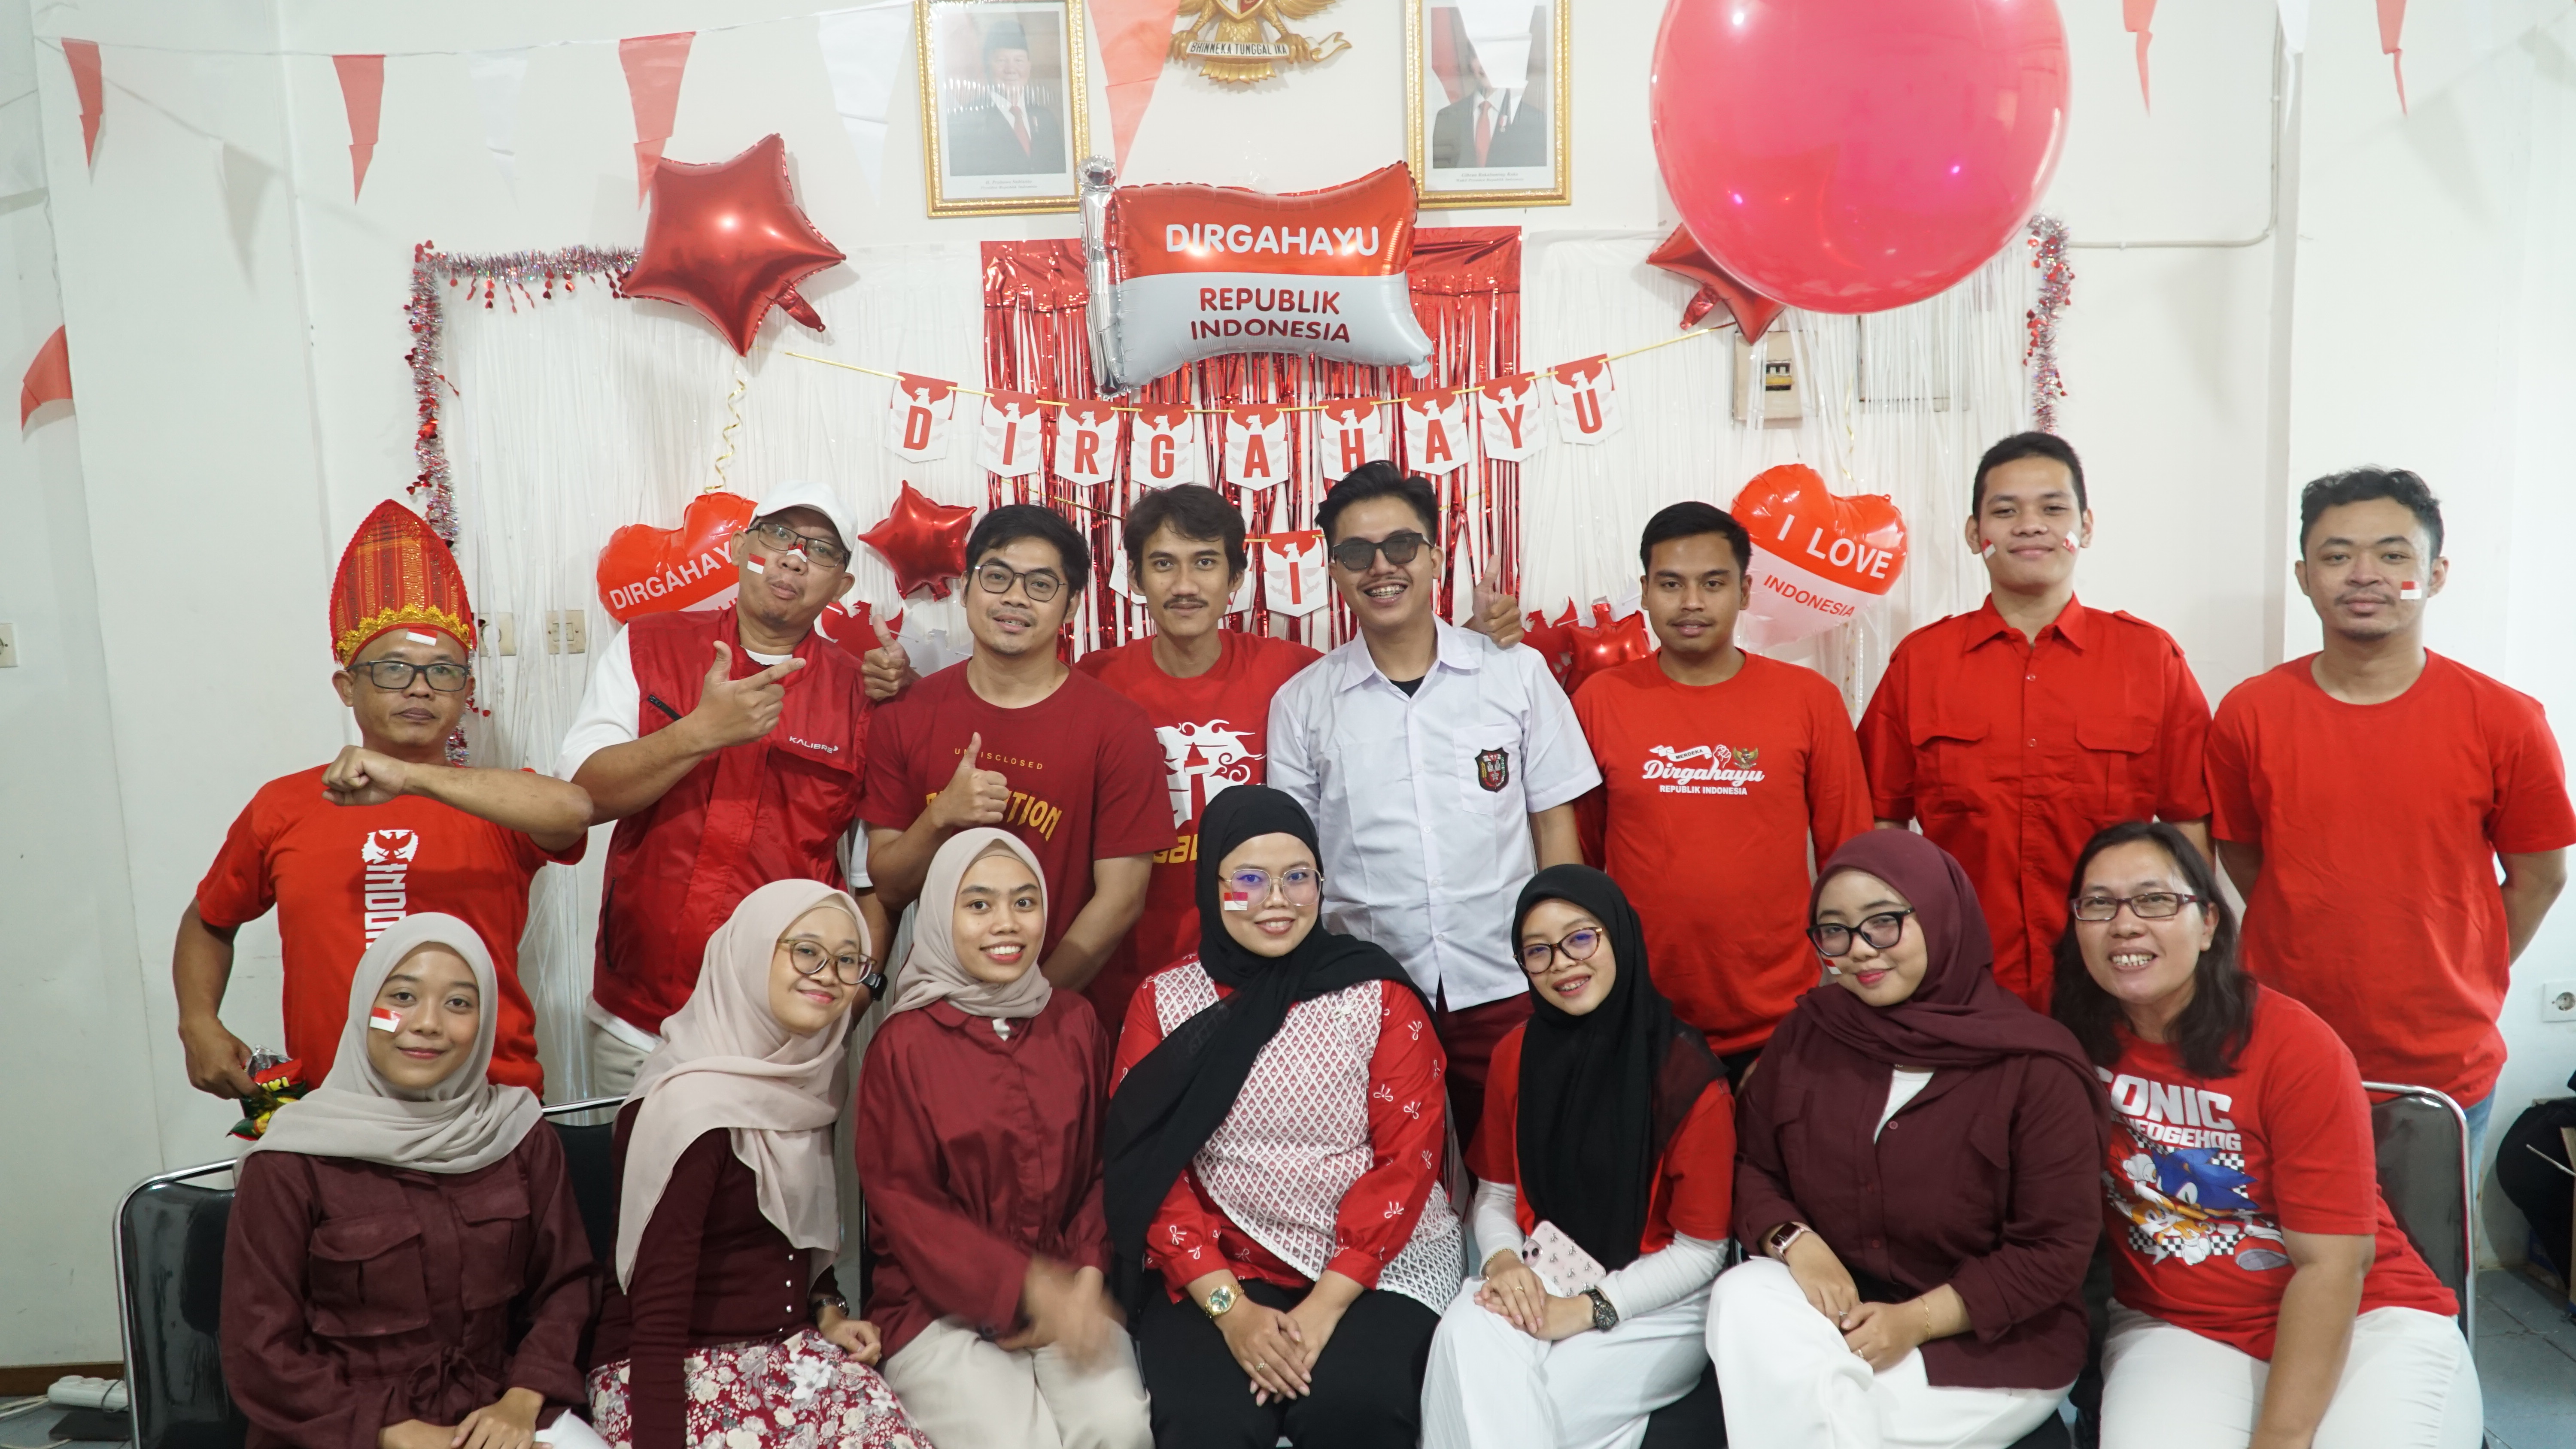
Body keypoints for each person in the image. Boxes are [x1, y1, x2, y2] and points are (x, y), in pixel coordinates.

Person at [2057, 820, 2479, 1449]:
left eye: (2155, 900)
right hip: (2179, 1325)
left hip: (2363, 1317)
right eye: (2099, 904)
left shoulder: (2294, 1046)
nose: (2125, 924)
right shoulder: (2064, 1044)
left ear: (2208, 923)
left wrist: (2280, 1437)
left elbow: (2333, 1265)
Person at [2206, 467, 2572, 1154]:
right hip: (2283, 1045)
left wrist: (2465, 965)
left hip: (2441, 1069)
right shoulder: (2249, 713)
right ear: (2304, 576)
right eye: (2337, 555)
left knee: (2427, 1231)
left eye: (2394, 554)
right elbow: (2245, 856)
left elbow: (2541, 877)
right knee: (2282, 1227)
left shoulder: (2506, 721)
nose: (2364, 574)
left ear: (2434, 575)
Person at [1077, 484, 1524, 1029]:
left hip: (1271, 968)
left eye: (1206, 562)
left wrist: (1473, 641)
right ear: (1134, 578)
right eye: (1164, 564)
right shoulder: (1094, 684)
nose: (1186, 585)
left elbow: (1397, 685)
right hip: (1131, 971)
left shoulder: (1293, 674)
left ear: (1237, 579)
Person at [184, 500, 589, 1100]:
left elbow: (574, 810)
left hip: (488, 1108)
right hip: (333, 1108)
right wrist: (198, 1022)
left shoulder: (496, 803)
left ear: (466, 692)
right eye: (394, 670)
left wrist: (412, 778)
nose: (421, 688)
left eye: (444, 672)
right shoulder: (285, 804)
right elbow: (209, 920)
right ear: (347, 687)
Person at [1711, 831, 2101, 1449]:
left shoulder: (2035, 1067)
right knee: (1742, 1292)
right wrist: (1795, 1242)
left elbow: (2054, 1250)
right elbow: (1749, 1164)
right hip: (1835, 1315)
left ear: (1942, 917)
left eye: (1883, 923)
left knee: (1827, 1416)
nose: (1859, 950)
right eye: (1835, 931)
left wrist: (1916, 1322)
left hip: (1986, 1349)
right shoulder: (1807, 1036)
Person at [1103, 786, 1464, 1449]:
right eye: (1249, 880)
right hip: (1223, 1265)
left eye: (1298, 877)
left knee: (1355, 1406)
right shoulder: (1164, 1001)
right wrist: (1231, 1312)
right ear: (1211, 888)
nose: (1277, 900)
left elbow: (1408, 1161)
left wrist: (1326, 1305)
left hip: (1380, 1264)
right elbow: (1150, 1172)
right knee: (1210, 1421)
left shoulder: (1376, 992)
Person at [1269, 462, 1597, 1153]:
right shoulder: (1301, 705)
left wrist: (1563, 958)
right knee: (1393, 1178)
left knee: (1530, 1165)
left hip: (1509, 979)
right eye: (1356, 553)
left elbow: (1554, 828)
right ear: (1334, 571)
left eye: (1401, 546)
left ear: (1436, 558)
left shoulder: (1514, 673)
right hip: (1368, 995)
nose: (1381, 567)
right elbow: (1293, 865)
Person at [559, 479, 908, 1093]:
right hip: (639, 1020)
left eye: (820, 550)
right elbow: (582, 798)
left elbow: (871, 882)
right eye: (778, 535)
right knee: (633, 1159)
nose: (793, 558)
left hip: (784, 1029)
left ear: (842, 585)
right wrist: (696, 734)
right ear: (741, 547)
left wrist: (850, 1006)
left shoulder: (861, 695)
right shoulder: (647, 645)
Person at [1858, 432, 2212, 1012]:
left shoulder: (2149, 660)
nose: (2030, 526)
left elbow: (2189, 822)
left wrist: (2191, 965)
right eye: (2005, 511)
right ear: (1975, 534)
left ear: (2086, 527)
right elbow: (1881, 823)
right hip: (1960, 976)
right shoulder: (1921, 664)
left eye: (2052, 509)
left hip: (2118, 981)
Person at [222, 915, 602, 1449]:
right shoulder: (291, 1160)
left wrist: (522, 1398)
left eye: (459, 1003)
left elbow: (566, 1285)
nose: (428, 1023)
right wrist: (393, 1432)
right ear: (364, 1007)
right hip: (341, 1429)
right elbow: (260, 1348)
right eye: (402, 996)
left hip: (496, 1411)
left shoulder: (518, 1133)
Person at [588, 881, 924, 1449]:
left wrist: (828, 1312)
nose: (828, 975)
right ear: (750, 952)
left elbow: (788, 1235)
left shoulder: (808, 1081)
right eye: (806, 951)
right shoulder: (690, 1108)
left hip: (784, 1353)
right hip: (668, 1369)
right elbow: (658, 1317)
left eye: (848, 961)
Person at [1420, 865, 1734, 1449]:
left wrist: (1591, 1308)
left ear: (1620, 936)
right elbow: (1498, 1195)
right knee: (1461, 1335)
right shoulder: (1516, 1053)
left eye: (1581, 939)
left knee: (1520, 1415)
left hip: (1659, 1300)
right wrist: (1503, 1263)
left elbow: (1701, 1252)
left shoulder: (1687, 1078)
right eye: (1538, 951)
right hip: (1544, 1267)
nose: (1562, 964)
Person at [859, 829, 1151, 1449]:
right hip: (939, 1310)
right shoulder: (904, 1045)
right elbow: (908, 1209)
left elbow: (1103, 1167)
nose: (1006, 924)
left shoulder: (1074, 1023)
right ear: (941, 915)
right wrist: (1025, 1288)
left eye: (1024, 902)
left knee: (1119, 1426)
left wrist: (1087, 1274)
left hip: (1071, 1288)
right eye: (979, 904)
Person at [1574, 501, 1869, 1081]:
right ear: (1644, 591)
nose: (1691, 602)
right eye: (1671, 584)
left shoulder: (1809, 700)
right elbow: (1580, 862)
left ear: (1745, 591)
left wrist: (1851, 991)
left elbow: (1850, 855)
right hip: (1638, 1017)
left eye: (1713, 583)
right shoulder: (1599, 701)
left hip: (1785, 1022)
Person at [864, 503, 1172, 996]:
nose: (1015, 597)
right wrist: (941, 816)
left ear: (1071, 606)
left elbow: (1121, 900)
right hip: (935, 1010)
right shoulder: (905, 714)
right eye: (997, 577)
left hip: (1061, 1009)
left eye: (1041, 584)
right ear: (966, 587)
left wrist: (1031, 1002)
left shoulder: (1119, 728)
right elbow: (891, 888)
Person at [945, 21, 1066, 177]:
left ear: (1029, 66)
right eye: (1001, 60)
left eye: (1019, 60)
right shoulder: (965, 122)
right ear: (987, 66)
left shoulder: (1046, 120)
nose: (1011, 69)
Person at [1430, 49, 1547, 170]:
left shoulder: (1533, 120)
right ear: (1469, 60)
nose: (1486, 65)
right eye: (1478, 55)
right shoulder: (1447, 117)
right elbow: (1441, 175)